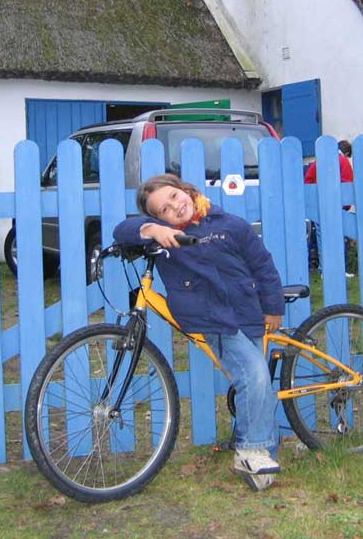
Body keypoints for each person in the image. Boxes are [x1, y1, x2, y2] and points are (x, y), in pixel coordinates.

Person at [113, 173, 286, 490]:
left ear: (186, 191)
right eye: (164, 210)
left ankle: (263, 456)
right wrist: (151, 229)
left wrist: (273, 308)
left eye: (175, 197)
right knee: (255, 376)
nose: (175, 207)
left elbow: (263, 266)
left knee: (256, 378)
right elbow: (121, 230)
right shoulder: (164, 238)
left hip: (249, 312)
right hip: (214, 319)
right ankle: (251, 451)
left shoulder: (231, 224)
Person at [304, 139, 354, 274]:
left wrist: (312, 201)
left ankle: (324, 269)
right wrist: (346, 206)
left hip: (319, 204)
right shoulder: (343, 161)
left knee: (322, 239)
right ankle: (340, 269)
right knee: (338, 238)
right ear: (347, 152)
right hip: (337, 205)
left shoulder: (319, 161)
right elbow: (347, 183)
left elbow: (308, 180)